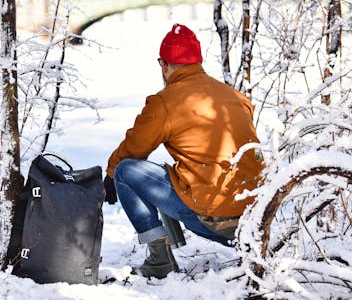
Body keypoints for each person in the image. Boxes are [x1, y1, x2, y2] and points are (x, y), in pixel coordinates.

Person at [103, 23, 264, 279]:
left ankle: (159, 260)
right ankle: (187, 244)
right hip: (254, 219)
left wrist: (110, 176)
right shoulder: (234, 96)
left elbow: (134, 149)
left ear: (164, 66)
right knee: (181, 173)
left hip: (212, 220)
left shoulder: (165, 102)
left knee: (126, 170)